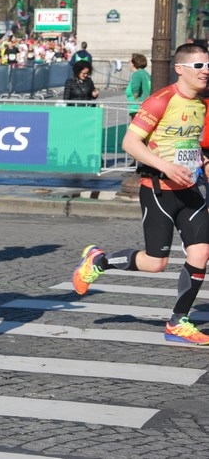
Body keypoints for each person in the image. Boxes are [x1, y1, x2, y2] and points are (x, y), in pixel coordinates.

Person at [72, 43, 209, 344]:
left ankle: (178, 321)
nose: (206, 71)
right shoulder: (161, 101)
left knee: (201, 252)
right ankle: (100, 261)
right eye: (199, 66)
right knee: (156, 263)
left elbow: (199, 144)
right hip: (159, 190)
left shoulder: (204, 102)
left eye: (208, 65)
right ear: (180, 68)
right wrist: (166, 167)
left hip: (192, 191)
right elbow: (130, 144)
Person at [125, 52, 151, 119]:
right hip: (145, 107)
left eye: (130, 61)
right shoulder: (145, 73)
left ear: (133, 63)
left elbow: (135, 88)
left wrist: (136, 99)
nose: (128, 63)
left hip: (137, 108)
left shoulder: (137, 74)